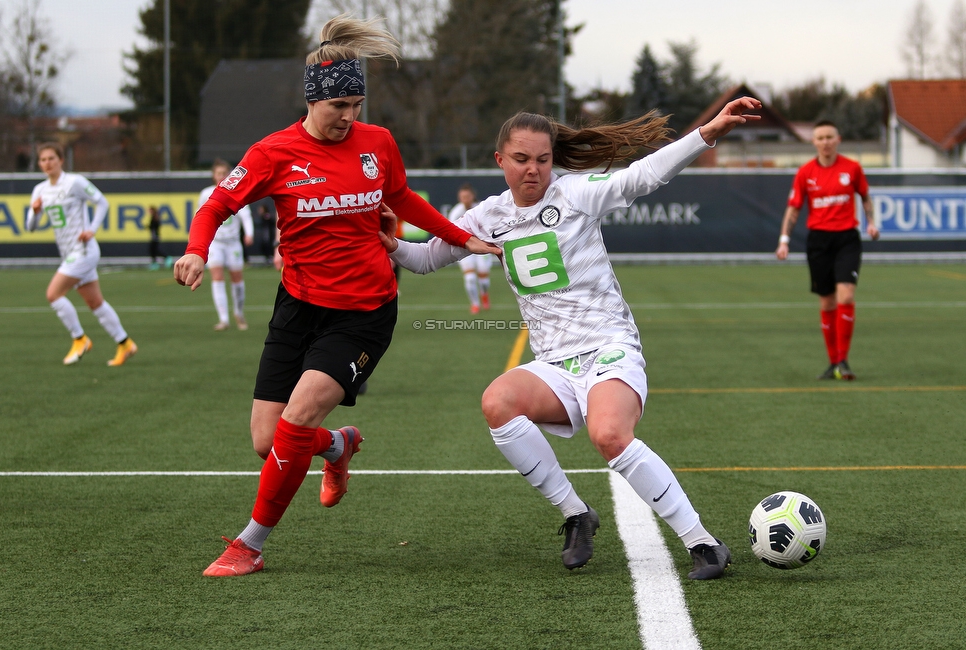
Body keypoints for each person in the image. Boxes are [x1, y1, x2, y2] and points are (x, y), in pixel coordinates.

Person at [173, 15, 498, 577]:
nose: (349, 117)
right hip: (297, 306)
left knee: (296, 418)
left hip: (364, 312)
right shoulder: (273, 153)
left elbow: (404, 198)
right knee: (267, 440)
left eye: (356, 105)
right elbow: (216, 206)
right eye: (338, 106)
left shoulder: (379, 144)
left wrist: (458, 235)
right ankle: (337, 447)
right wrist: (198, 249)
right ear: (311, 101)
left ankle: (249, 545)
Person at [382, 97, 763, 578]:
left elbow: (642, 176)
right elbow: (423, 260)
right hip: (555, 364)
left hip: (608, 347)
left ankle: (703, 542)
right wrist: (387, 241)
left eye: (543, 159)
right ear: (500, 160)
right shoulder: (485, 217)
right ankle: (576, 514)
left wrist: (707, 133)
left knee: (609, 435)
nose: (533, 170)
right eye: (521, 159)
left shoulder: (576, 193)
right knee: (497, 401)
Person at [776, 120, 879, 380]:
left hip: (847, 239)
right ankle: (833, 363)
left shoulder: (852, 169)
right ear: (814, 142)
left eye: (829, 137)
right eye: (820, 137)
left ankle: (843, 360)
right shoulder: (805, 172)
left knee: (845, 295)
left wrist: (871, 223)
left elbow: (865, 197)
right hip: (819, 241)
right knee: (827, 301)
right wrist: (784, 239)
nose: (825, 142)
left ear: (838, 139)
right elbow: (794, 207)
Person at [25, 142, 138, 367]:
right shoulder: (40, 190)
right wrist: (35, 212)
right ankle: (125, 344)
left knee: (53, 294)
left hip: (84, 251)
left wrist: (92, 229)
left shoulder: (74, 182)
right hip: (68, 253)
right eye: (43, 160)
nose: (47, 163)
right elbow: (30, 226)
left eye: (51, 158)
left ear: (61, 160)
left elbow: (102, 202)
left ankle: (79, 338)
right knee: (95, 302)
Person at [198, 159, 256, 331]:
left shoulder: (237, 191)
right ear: (213, 176)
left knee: (236, 277)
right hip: (215, 243)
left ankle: (238, 313)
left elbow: (245, 215)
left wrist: (249, 233)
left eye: (225, 173)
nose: (222, 176)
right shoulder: (206, 193)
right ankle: (223, 319)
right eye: (219, 173)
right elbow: (200, 216)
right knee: (217, 277)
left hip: (233, 244)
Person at [448, 183, 493, 314]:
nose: (465, 199)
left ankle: (484, 293)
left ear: (472, 196)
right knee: (470, 278)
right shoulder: (455, 212)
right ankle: (475, 303)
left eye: (467, 196)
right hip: (464, 249)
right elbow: (451, 231)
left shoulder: (480, 209)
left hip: (481, 247)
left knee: (483, 279)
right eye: (462, 197)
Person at [147, 205, 166, 269]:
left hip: (155, 236)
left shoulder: (154, 218)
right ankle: (155, 262)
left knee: (154, 250)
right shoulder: (155, 217)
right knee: (153, 250)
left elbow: (154, 227)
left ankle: (156, 262)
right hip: (155, 236)